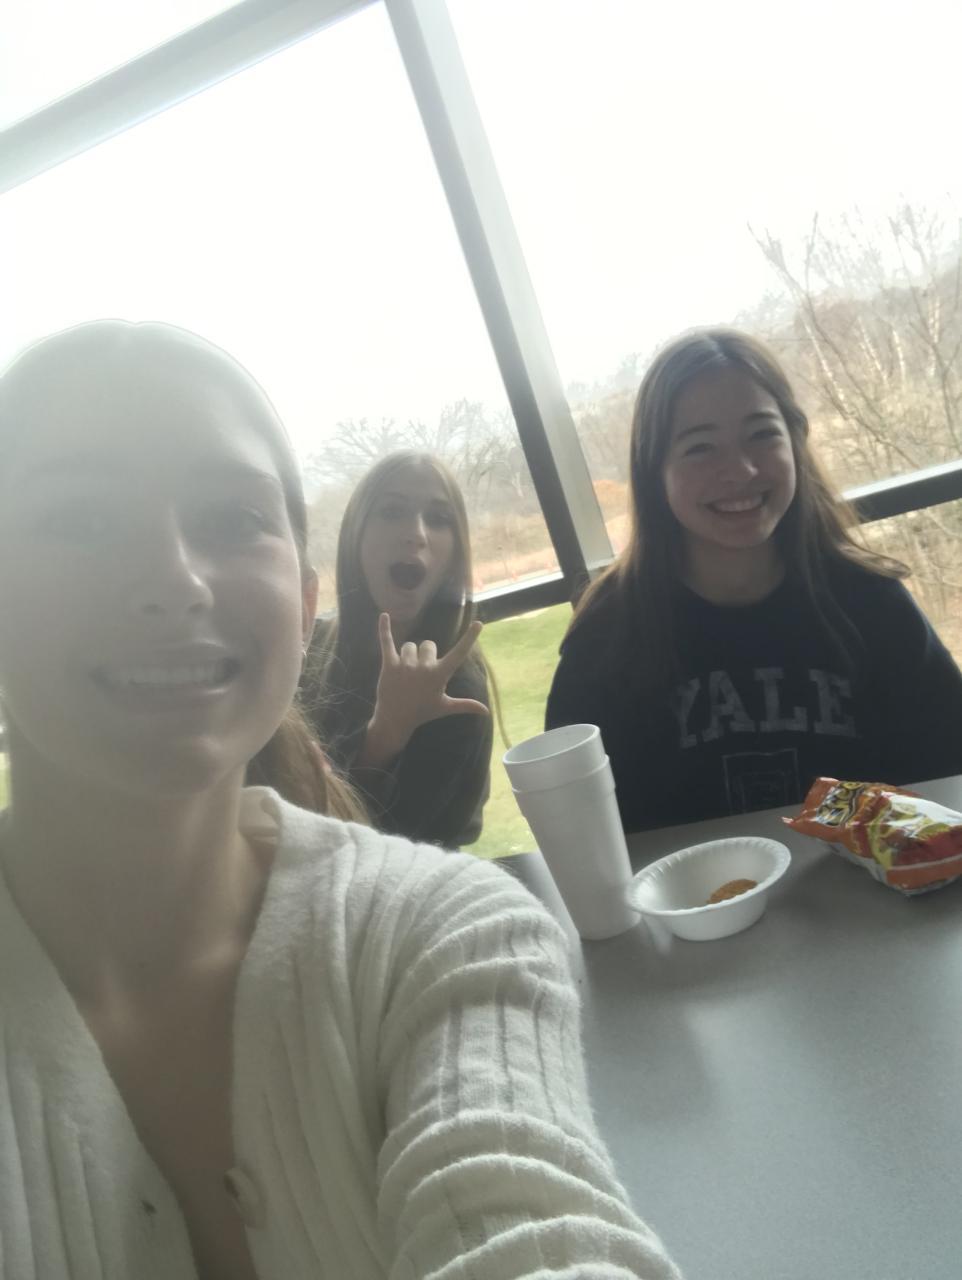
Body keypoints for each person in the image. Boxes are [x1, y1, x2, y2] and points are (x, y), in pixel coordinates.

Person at [0, 320, 680, 1280]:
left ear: (300, 590)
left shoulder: (447, 936)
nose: (172, 580)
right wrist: (383, 735)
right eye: (78, 518)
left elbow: (524, 1218)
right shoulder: (334, 672)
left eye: (232, 518)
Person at [546, 327, 962, 833]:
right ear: (654, 470)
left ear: (796, 442)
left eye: (762, 434)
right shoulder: (608, 634)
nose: (740, 470)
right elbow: (579, 827)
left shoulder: (873, 603)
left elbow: (949, 774)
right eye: (700, 447)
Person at [302, 451, 493, 847]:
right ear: (355, 535)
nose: (416, 533)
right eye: (391, 512)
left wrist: (386, 733)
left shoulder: (457, 690)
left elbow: (382, 855)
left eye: (438, 519)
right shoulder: (310, 651)